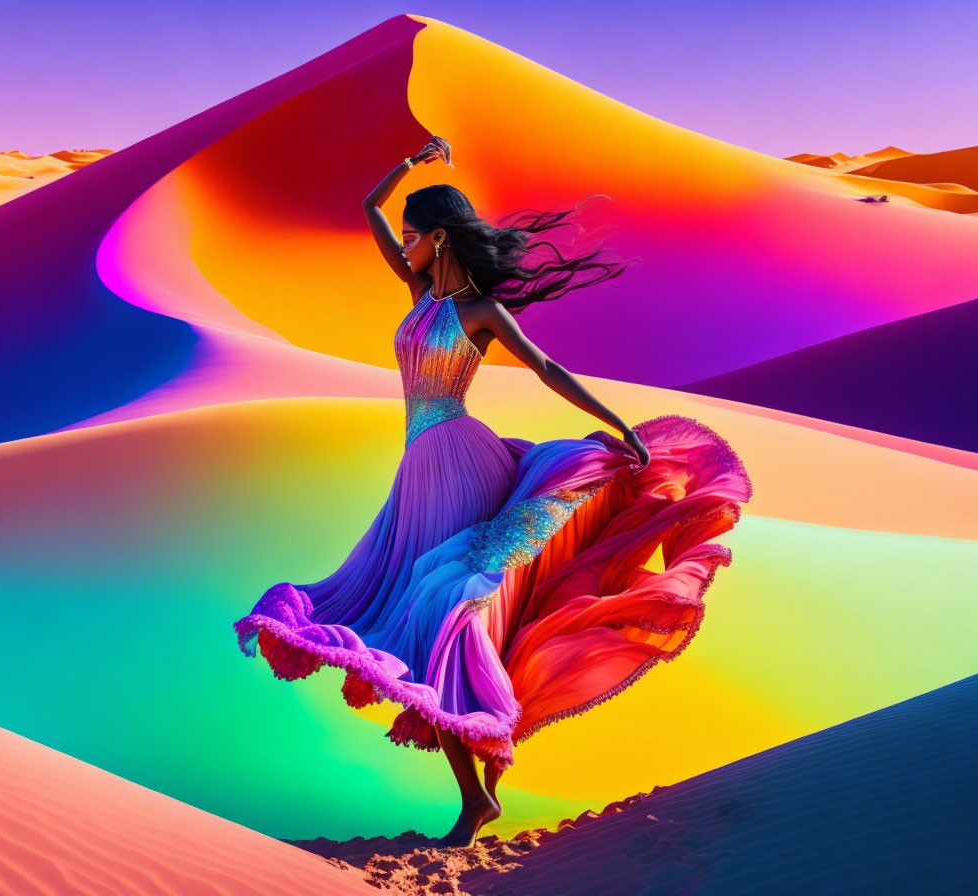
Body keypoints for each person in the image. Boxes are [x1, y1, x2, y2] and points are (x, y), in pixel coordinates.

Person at [232, 136, 753, 848]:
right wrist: (412, 166)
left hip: (458, 456)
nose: (406, 245)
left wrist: (615, 425)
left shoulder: (479, 312)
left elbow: (545, 368)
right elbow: (367, 208)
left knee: (445, 603)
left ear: (439, 238)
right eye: (406, 237)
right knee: (432, 605)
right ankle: (480, 790)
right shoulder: (418, 293)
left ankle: (477, 795)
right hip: (420, 464)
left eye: (416, 237)